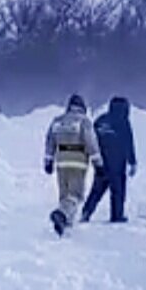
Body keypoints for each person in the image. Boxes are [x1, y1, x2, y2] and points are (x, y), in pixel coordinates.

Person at [44, 94, 102, 236]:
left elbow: (50, 141)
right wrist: (98, 163)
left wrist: (48, 161)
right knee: (75, 195)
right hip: (78, 162)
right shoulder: (83, 121)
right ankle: (61, 215)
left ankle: (65, 224)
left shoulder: (57, 121)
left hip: (61, 162)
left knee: (65, 195)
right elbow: (90, 142)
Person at [81, 96, 137, 224]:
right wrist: (132, 161)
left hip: (101, 164)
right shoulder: (123, 122)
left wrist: (90, 157)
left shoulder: (100, 121)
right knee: (117, 191)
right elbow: (128, 143)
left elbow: (91, 141)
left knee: (96, 190)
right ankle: (116, 216)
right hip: (117, 166)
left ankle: (86, 212)